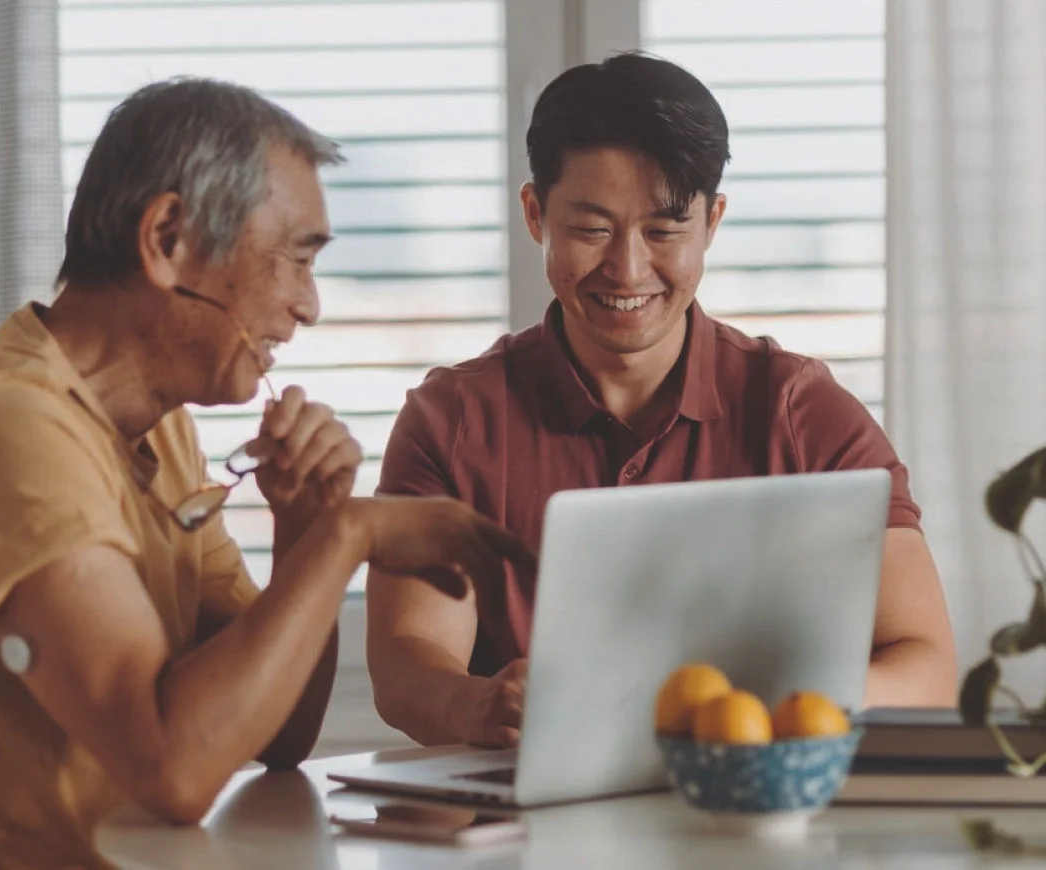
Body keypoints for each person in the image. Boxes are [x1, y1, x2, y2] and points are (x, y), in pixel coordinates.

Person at [0, 78, 531, 869]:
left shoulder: (163, 437)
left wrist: (305, 525)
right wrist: (353, 534)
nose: (309, 306)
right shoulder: (0, 422)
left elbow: (275, 735)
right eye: (295, 260)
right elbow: (175, 766)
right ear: (167, 237)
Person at [366, 51, 958, 750]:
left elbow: (925, 662)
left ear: (712, 222)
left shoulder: (802, 412)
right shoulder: (451, 420)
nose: (628, 268)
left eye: (665, 230)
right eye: (592, 229)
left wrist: (768, 711)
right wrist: (477, 705)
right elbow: (409, 657)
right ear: (535, 214)